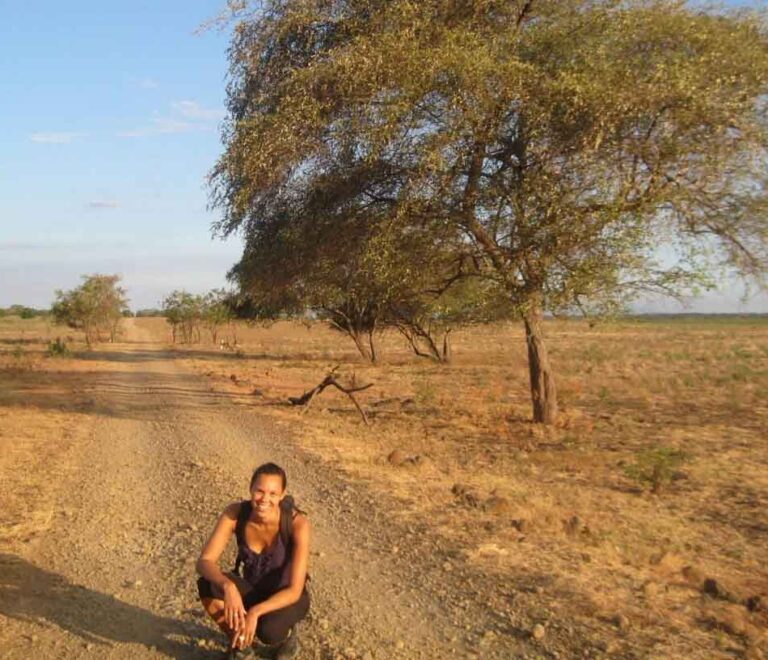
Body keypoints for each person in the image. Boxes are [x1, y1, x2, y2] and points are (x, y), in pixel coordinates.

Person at [196, 462, 310, 659]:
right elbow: (204, 561)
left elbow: (295, 590)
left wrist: (255, 612)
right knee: (208, 584)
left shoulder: (296, 524)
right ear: (250, 489)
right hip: (254, 590)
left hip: (287, 597)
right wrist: (229, 587)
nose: (264, 499)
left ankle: (289, 635)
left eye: (273, 493)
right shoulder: (235, 514)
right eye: (259, 491)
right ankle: (241, 643)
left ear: (282, 495)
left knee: (269, 631)